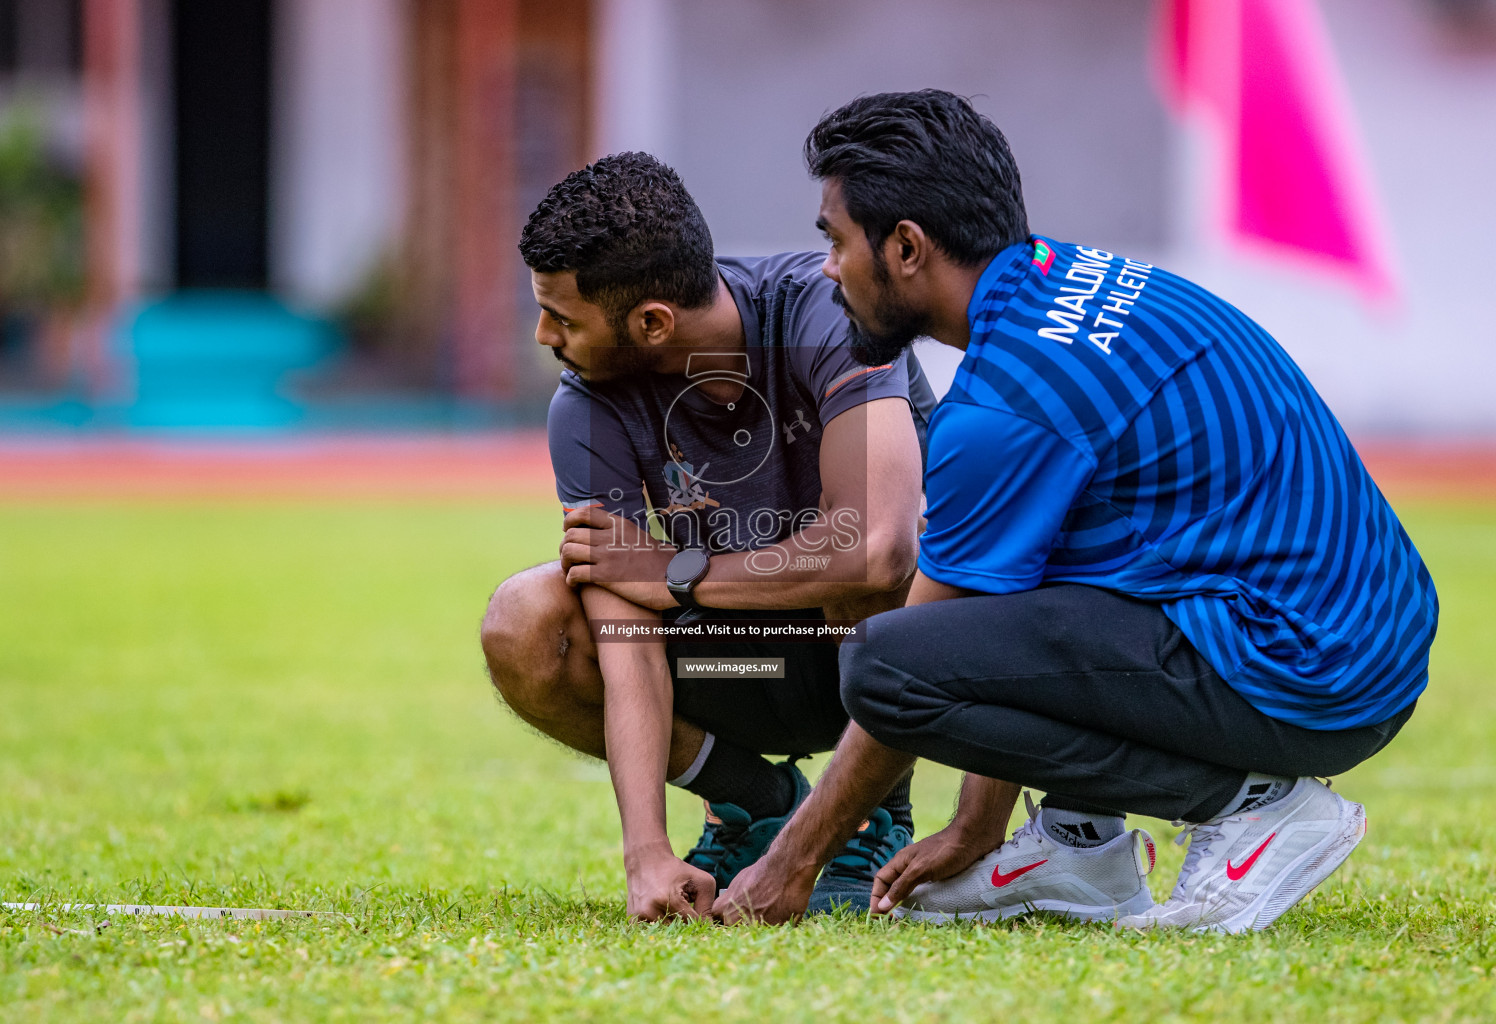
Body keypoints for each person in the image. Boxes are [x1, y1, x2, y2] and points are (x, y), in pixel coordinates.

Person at [713, 89, 1438, 935]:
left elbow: (917, 666)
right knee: (1022, 582)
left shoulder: (1005, 405)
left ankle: (1251, 805)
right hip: (1361, 639)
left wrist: (788, 864)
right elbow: (1006, 614)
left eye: (835, 242)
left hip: (1307, 671)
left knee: (883, 663)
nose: (829, 270)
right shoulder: (1071, 281)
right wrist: (979, 822)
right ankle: (1077, 841)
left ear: (906, 247)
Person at [480, 152, 937, 921]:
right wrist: (645, 853)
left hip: (877, 653)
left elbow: (880, 548)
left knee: (861, 561)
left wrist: (680, 572)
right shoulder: (587, 403)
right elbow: (623, 632)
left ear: (652, 323)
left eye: (562, 316)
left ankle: (868, 816)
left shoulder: (824, 312)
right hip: (735, 653)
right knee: (524, 621)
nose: (542, 334)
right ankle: (754, 801)